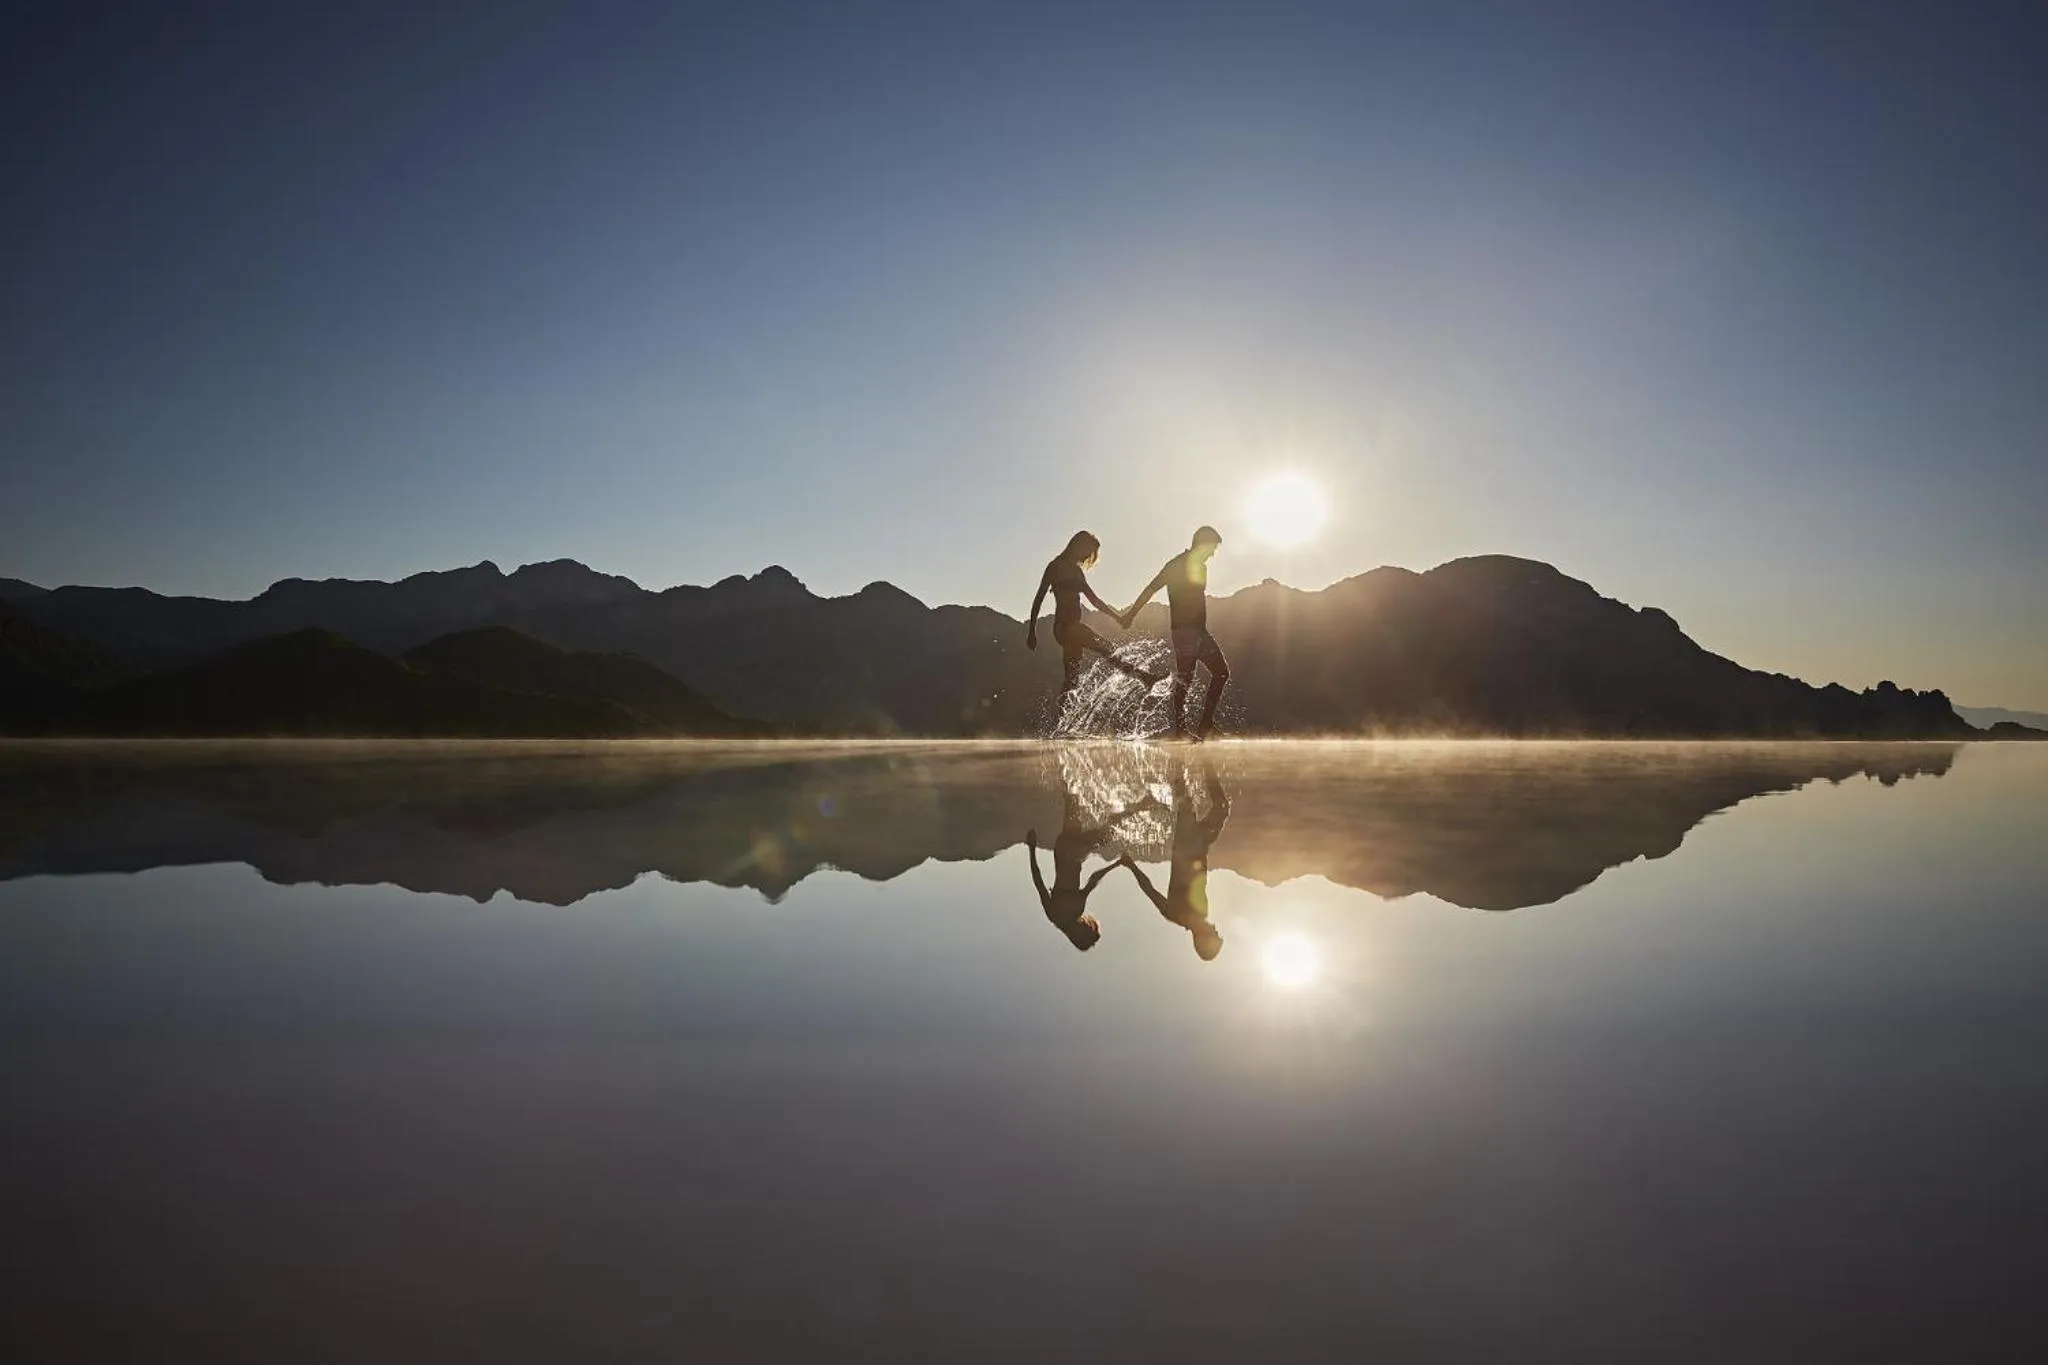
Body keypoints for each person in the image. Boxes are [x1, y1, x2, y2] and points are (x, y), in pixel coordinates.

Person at [1027, 531, 1161, 708]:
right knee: (1108, 648)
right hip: (1065, 628)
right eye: (1087, 551)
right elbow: (1039, 597)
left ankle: (1060, 724)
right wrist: (1032, 631)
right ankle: (1144, 678)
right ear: (1077, 544)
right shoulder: (1055, 567)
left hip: (1073, 629)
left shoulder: (1076, 572)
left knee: (1071, 679)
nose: (1087, 556)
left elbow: (1095, 601)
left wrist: (1117, 617)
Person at [1120, 525, 1229, 740]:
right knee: (1186, 679)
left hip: (1200, 631)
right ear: (1202, 544)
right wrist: (1132, 613)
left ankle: (1205, 724)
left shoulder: (1201, 568)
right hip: (1184, 631)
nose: (1213, 554)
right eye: (1212, 548)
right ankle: (1180, 729)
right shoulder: (1175, 565)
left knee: (1221, 672)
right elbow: (1151, 588)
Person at [1125, 753, 1230, 961]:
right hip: (1201, 845)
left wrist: (1132, 866)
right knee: (1221, 807)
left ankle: (1179, 754)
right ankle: (1205, 761)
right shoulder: (1202, 914)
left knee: (1185, 799)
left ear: (1202, 939)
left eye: (1215, 934)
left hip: (1186, 844)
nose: (1217, 929)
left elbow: (1150, 890)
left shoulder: (1175, 915)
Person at [1025, 782, 1153, 951]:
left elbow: (1040, 882)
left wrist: (1032, 848)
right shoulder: (1061, 915)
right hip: (1064, 848)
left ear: (1080, 935)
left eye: (1087, 930)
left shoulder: (1067, 912)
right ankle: (1067, 768)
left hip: (1073, 852)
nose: (1087, 925)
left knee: (1111, 832)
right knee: (1073, 801)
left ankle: (1141, 807)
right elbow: (1039, 880)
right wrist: (1032, 847)